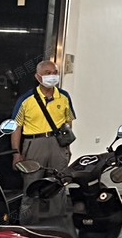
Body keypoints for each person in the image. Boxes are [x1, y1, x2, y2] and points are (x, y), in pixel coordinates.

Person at [11, 60, 76, 223]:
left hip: (57, 145)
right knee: (32, 185)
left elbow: (69, 121)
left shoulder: (64, 96)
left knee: (58, 185)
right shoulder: (26, 100)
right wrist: (16, 153)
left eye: (55, 72)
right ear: (38, 77)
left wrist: (66, 146)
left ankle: (57, 223)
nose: (52, 76)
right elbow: (16, 128)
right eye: (47, 73)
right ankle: (27, 223)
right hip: (34, 144)